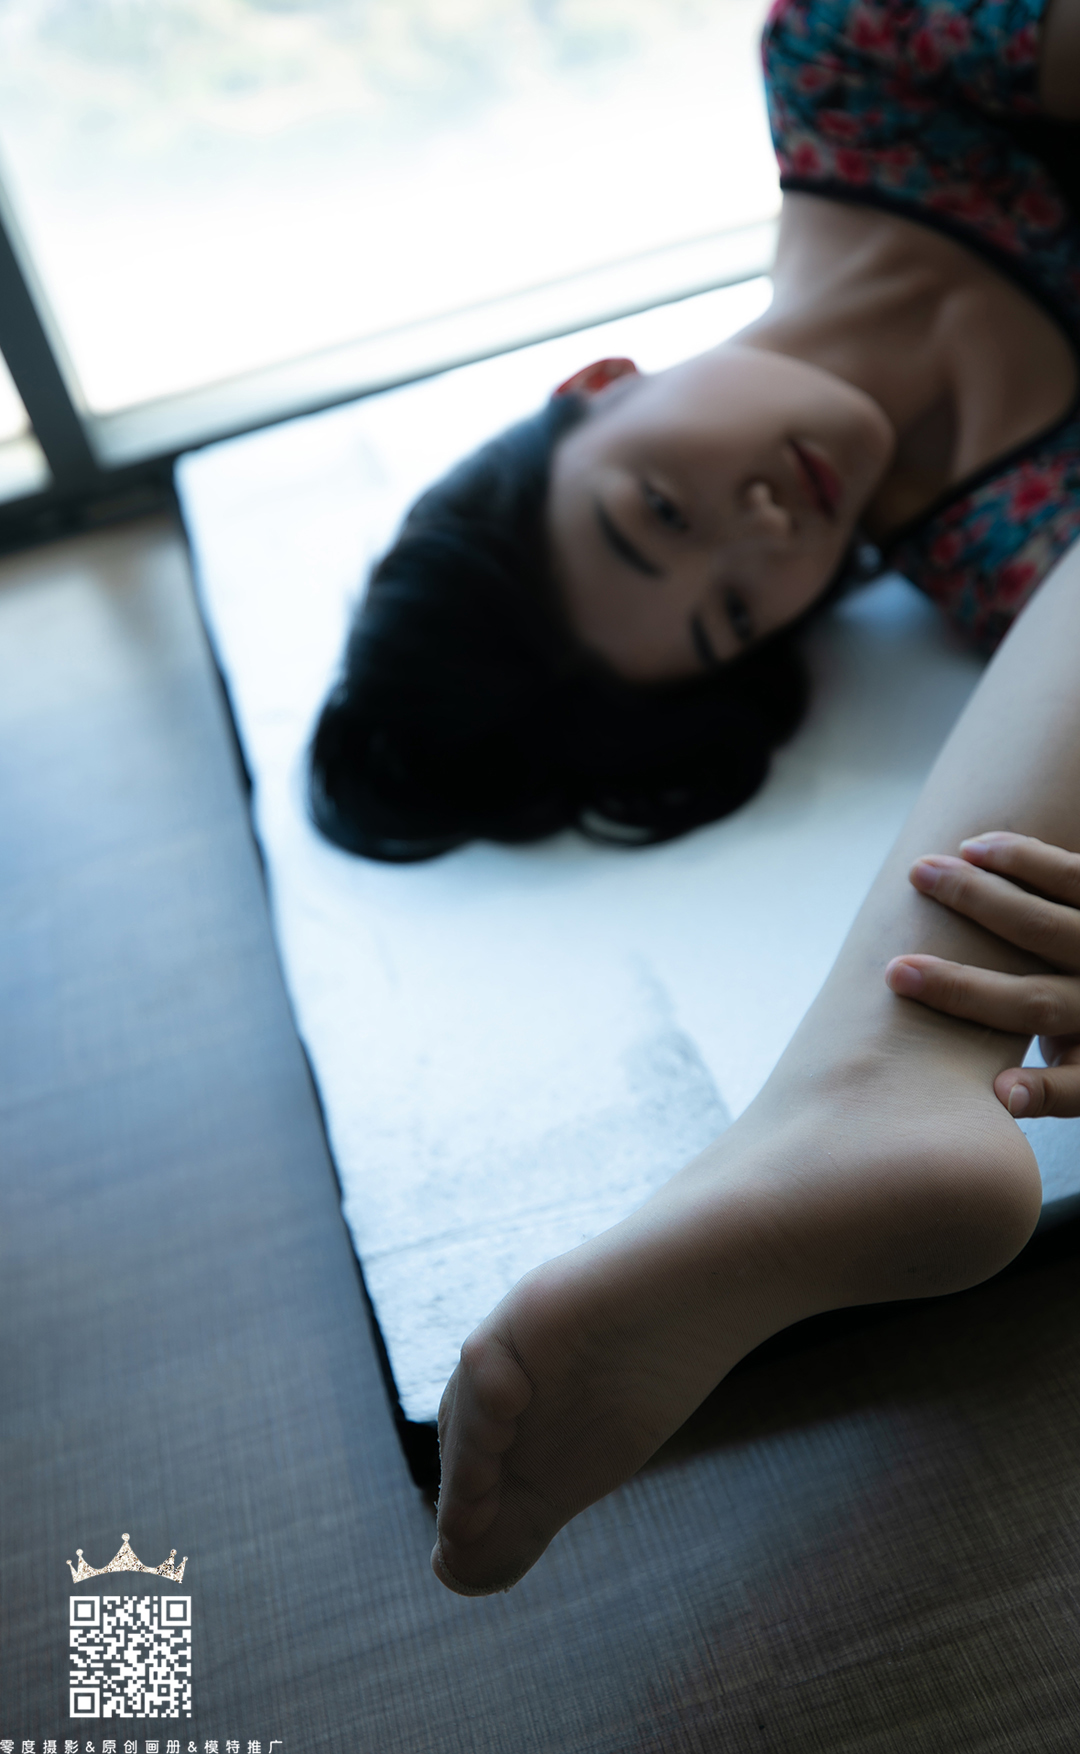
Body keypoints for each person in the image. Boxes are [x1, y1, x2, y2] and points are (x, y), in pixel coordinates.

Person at [415, 0, 1080, 1594]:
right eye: (732, 612)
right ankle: (881, 1084)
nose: (766, 531)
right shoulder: (1020, 583)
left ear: (599, 382)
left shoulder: (848, 60)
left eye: (658, 509)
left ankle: (875, 1084)